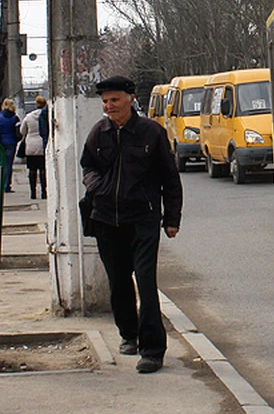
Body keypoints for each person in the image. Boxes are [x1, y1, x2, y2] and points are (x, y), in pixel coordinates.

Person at [80, 76, 182, 374]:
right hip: (105, 220)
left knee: (146, 283)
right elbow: (89, 166)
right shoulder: (98, 133)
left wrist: (172, 218)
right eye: (105, 101)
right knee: (119, 282)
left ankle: (152, 350)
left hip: (143, 220)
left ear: (130, 99)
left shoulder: (151, 133)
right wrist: (98, 186)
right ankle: (128, 333)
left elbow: (169, 178)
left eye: (114, 99)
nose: (109, 105)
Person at [20, 96, 49, 199]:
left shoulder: (28, 117)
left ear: (36, 104)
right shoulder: (47, 115)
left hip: (31, 145)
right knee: (42, 170)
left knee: (32, 170)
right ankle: (44, 192)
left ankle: (33, 192)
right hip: (42, 144)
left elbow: (22, 131)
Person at [0, 98, 21, 193]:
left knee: (1, 164)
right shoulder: (15, 118)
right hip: (11, 143)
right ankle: (6, 186)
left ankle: (1, 184)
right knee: (8, 164)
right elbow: (18, 132)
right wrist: (16, 140)